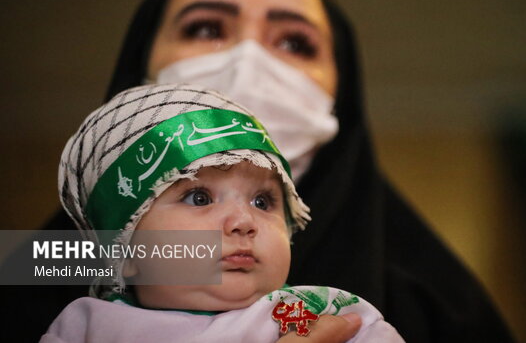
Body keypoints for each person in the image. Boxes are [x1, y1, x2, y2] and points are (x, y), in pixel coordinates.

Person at [15, 0, 514, 342]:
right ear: (139, 68)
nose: (248, 59)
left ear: (344, 93)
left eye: (295, 42)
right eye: (206, 28)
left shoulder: (440, 308)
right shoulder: (47, 262)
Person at [41, 84, 404, 342]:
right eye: (199, 198)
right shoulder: (85, 327)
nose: (244, 222)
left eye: (263, 202)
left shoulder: (311, 315)